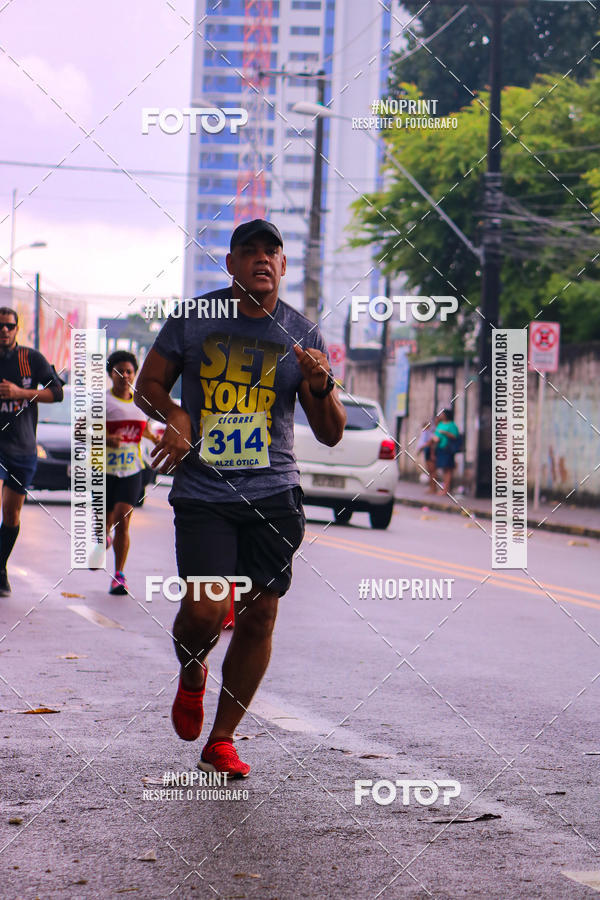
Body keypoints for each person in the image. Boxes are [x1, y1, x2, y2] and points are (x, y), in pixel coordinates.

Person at [135, 219, 346, 778]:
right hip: (204, 492)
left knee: (258, 619)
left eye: (270, 251)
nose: (260, 259)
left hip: (273, 493)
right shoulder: (193, 320)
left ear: (282, 265)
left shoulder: (302, 334)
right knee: (204, 610)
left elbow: (330, 432)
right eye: (247, 251)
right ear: (229, 264)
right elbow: (148, 385)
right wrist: (175, 413)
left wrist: (321, 386)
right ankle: (191, 669)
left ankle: (222, 739)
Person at [0, 307, 63, 596]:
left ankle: (0, 568)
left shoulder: (30, 358)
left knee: (11, 514)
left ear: (16, 328)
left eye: (9, 326)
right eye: (0, 326)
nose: (4, 331)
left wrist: (20, 393)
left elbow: (57, 393)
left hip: (22, 447)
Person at [105, 350, 159, 595]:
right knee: (103, 525)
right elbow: (79, 433)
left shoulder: (141, 404)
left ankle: (119, 576)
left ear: (134, 375)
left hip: (131, 470)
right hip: (103, 470)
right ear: (110, 374)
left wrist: (157, 439)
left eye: (128, 371)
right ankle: (102, 537)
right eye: (119, 371)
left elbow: (145, 430)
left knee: (123, 520)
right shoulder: (101, 403)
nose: (124, 375)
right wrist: (107, 438)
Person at [431, 407, 460, 495]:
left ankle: (446, 489)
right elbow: (436, 434)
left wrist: (445, 433)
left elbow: (455, 436)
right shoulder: (440, 424)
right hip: (440, 447)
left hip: (448, 448)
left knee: (448, 469)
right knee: (444, 468)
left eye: (443, 414)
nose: (441, 415)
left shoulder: (452, 425)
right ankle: (445, 488)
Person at [416, 419, 437, 493]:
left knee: (432, 471)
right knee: (430, 471)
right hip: (427, 451)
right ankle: (432, 488)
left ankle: (433, 488)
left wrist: (431, 454)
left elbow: (430, 443)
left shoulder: (429, 433)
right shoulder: (425, 433)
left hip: (429, 452)